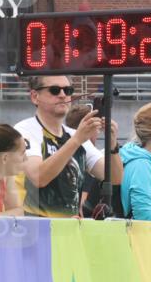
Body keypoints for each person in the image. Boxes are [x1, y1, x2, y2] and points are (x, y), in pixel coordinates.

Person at [15, 75, 122, 218]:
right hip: (35, 229)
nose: (63, 95)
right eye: (54, 90)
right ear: (35, 97)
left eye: (68, 90)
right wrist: (76, 140)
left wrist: (112, 145)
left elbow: (114, 178)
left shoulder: (75, 136)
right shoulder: (25, 129)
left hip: (68, 231)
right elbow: (38, 177)